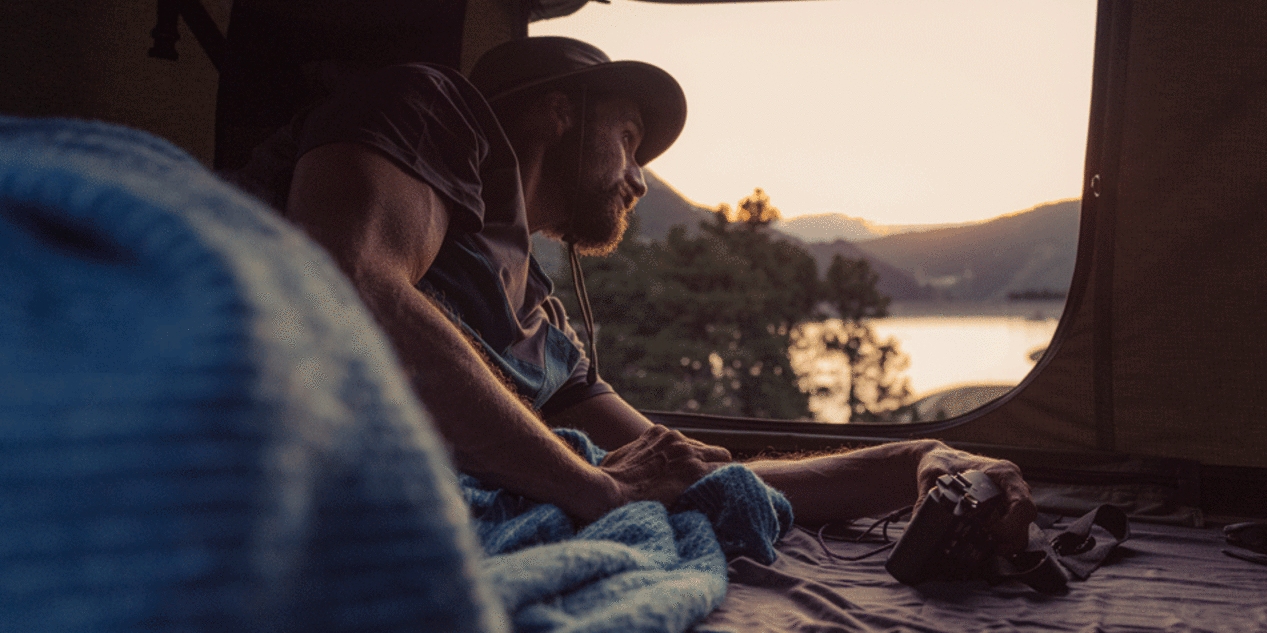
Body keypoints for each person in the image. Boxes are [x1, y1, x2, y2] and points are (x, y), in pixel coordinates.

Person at [236, 35, 1036, 549]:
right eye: (627, 138)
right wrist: (589, 487)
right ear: (558, 113)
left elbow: (689, 470)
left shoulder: (543, 329)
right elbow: (349, 287)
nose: (641, 178)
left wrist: (919, 458)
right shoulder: (432, 110)